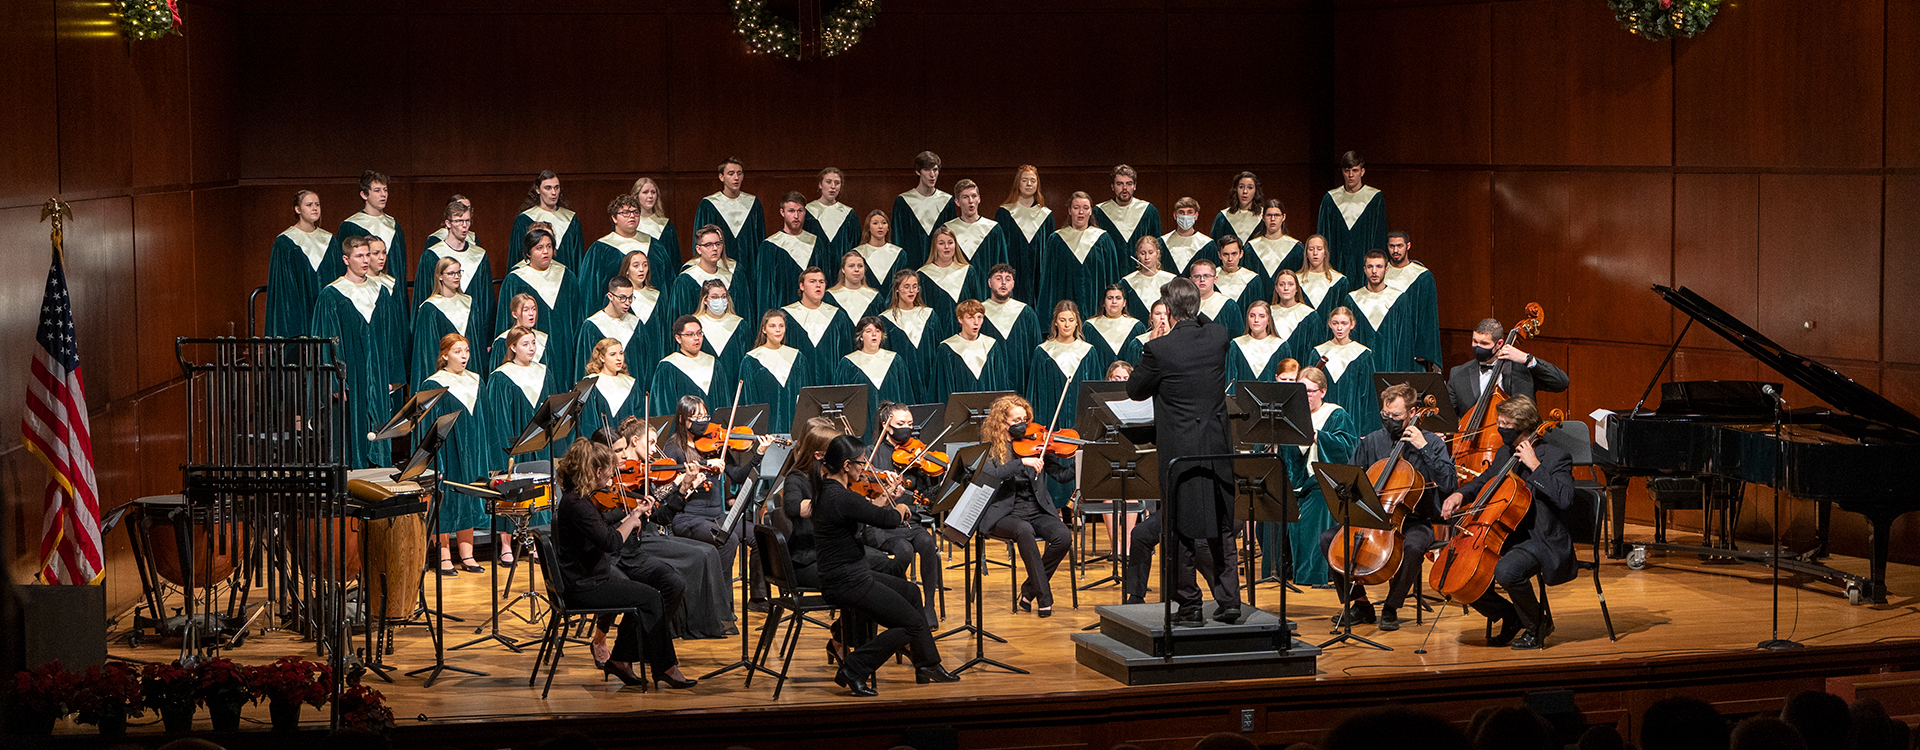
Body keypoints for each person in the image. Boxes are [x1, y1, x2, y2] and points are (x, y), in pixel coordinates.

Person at [1122, 279, 1239, 624]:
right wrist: (1187, 313)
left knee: (1178, 530)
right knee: (1222, 527)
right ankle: (1230, 601)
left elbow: (1134, 390)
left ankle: (1189, 606)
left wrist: (1157, 337)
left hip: (1180, 454)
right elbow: (1203, 323)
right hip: (1217, 449)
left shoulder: (1160, 350)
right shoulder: (1218, 336)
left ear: (1168, 311)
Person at [813, 435, 958, 695]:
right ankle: (854, 667)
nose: (864, 467)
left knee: (912, 593)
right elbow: (886, 519)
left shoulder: (831, 491)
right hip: (847, 582)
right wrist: (901, 508)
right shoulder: (842, 497)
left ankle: (928, 664)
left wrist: (885, 497)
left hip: (851, 574)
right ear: (846, 465)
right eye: (860, 463)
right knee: (912, 624)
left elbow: (864, 512)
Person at [549, 437, 697, 689]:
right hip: (585, 586)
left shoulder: (577, 499)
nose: (610, 480)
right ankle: (665, 667)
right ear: (596, 471)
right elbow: (612, 542)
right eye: (608, 474)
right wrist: (635, 515)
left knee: (650, 594)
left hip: (589, 578)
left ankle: (621, 660)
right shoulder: (578, 505)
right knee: (650, 598)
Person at [1438, 395, 1575, 649]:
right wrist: (1461, 494)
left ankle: (1537, 625)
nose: (1500, 428)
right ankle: (1510, 615)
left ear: (1524, 426)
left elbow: (1565, 499)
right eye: (1499, 422)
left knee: (1506, 571)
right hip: (1505, 534)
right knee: (1458, 574)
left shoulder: (1556, 457)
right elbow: (1485, 480)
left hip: (1540, 537)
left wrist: (1535, 466)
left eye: (1506, 423)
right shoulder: (1505, 453)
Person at [1318, 383, 1456, 631]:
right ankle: (1360, 603)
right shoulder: (1372, 441)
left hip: (1415, 520)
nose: (1389, 420)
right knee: (1329, 540)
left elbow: (1448, 482)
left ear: (1413, 412)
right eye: (1385, 415)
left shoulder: (1432, 442)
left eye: (1396, 416)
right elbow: (1351, 476)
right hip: (1372, 517)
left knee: (1412, 547)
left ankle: (1392, 606)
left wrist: (1423, 447)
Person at [600, 417, 736, 639]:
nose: (656, 450)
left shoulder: (645, 474)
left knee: (709, 551)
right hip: (631, 545)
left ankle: (702, 622)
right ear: (634, 441)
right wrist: (676, 485)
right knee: (698, 556)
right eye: (651, 443)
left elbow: (661, 515)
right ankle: (683, 626)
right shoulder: (613, 481)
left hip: (647, 535)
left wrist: (682, 488)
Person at [966, 396, 1074, 617]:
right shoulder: (991, 448)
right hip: (1004, 513)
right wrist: (1019, 463)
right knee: (1024, 531)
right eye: (1016, 420)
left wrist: (1081, 461)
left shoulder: (1036, 445)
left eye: (1025, 419)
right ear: (1002, 422)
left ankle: (1028, 590)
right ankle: (1044, 597)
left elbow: (1062, 475)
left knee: (1063, 536)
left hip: (1036, 510)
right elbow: (987, 477)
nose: (1022, 424)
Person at [310, 236, 402, 469]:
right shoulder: (332, 295)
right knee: (351, 430)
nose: (365, 260)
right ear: (346, 259)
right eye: (359, 256)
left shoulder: (380, 292)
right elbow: (326, 341)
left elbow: (392, 337)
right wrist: (336, 383)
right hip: (351, 376)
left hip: (378, 374)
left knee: (379, 428)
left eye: (368, 255)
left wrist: (392, 376)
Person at [656, 394, 774, 566]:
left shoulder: (713, 444)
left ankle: (758, 593)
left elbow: (739, 476)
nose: (702, 421)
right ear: (682, 419)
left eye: (704, 417)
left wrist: (759, 453)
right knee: (729, 540)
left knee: (759, 536)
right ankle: (721, 592)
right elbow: (667, 488)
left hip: (716, 516)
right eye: (696, 417)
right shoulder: (674, 447)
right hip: (688, 518)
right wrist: (705, 463)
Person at [481, 326, 560, 561]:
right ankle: (507, 545)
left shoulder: (543, 372)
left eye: (533, 343)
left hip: (540, 442)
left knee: (541, 488)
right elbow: (498, 417)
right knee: (514, 490)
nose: (531, 348)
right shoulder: (501, 376)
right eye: (525, 344)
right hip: (514, 442)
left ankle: (539, 541)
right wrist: (509, 447)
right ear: (512, 347)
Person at [861, 403, 945, 619]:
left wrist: (936, 477)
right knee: (904, 550)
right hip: (880, 523)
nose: (906, 428)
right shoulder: (871, 454)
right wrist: (884, 484)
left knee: (928, 545)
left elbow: (928, 494)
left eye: (909, 424)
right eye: (900, 424)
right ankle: (905, 603)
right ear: (886, 426)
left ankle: (929, 606)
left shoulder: (918, 454)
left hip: (909, 520)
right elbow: (862, 487)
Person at [421, 334, 491, 576]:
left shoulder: (476, 381)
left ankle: (467, 553)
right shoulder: (433, 384)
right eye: (458, 351)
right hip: (447, 450)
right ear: (444, 355)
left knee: (469, 496)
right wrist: (433, 460)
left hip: (473, 449)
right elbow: (429, 426)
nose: (464, 357)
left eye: (467, 351)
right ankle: (442, 554)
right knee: (446, 501)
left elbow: (484, 421)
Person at [1283, 366, 1357, 588]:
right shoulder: (1291, 415)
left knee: (1312, 511)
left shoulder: (1335, 414)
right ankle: (1282, 569)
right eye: (1301, 391)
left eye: (1310, 391)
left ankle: (1312, 573)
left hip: (1324, 482)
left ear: (1323, 392)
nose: (1305, 396)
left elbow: (1349, 446)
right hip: (1296, 482)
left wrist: (1318, 437)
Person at [1027, 302, 1103, 509]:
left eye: (1071, 320)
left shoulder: (1088, 352)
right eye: (1062, 320)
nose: (1067, 324)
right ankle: (1053, 507)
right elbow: (1036, 392)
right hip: (1052, 414)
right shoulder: (1043, 352)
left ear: (1077, 322)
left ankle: (1078, 506)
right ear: (1055, 323)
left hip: (1079, 416)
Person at [494, 227, 586, 381]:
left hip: (563, 347)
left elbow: (576, 318)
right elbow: (505, 321)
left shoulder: (567, 277)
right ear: (528, 253)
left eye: (549, 246)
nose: (546, 252)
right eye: (539, 247)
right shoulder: (515, 280)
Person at [411, 201, 493, 361]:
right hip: (440, 329)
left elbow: (487, 300)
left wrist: (486, 337)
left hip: (472, 330)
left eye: (467, 221)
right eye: (459, 221)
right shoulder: (432, 255)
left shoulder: (479, 255)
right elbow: (423, 296)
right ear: (448, 223)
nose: (464, 226)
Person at [1447, 317, 1570, 419]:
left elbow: (1561, 383)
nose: (1478, 347)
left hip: (1520, 442)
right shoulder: (1458, 374)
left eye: (1484, 343)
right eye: (1475, 341)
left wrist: (1527, 359)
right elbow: (1447, 418)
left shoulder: (1522, 368)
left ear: (1499, 343)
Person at [1339, 250, 1436, 373]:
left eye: (1379, 266)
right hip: (1360, 371)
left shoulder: (1399, 299)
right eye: (1370, 267)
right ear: (1364, 269)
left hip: (1391, 369)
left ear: (1386, 270)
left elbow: (1404, 342)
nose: (1374, 271)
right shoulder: (1352, 300)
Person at [1040, 191, 1124, 319]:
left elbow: (1111, 276)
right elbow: (1048, 282)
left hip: (1097, 309)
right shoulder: (1056, 240)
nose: (1081, 212)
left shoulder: (1103, 239)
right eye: (1076, 208)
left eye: (1085, 208)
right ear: (1069, 210)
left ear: (1091, 211)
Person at [323, 170, 408, 296]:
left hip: (392, 293)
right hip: (361, 293)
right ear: (364, 194)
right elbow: (343, 265)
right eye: (377, 190)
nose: (383, 195)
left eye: (385, 190)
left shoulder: (394, 226)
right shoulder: (351, 226)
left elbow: (400, 268)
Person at [412, 257, 490, 387]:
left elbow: (478, 342)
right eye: (451, 273)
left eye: (459, 272)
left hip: (471, 367)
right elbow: (429, 350)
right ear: (440, 276)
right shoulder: (430, 308)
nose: (456, 277)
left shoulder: (469, 303)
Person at [267, 190, 334, 338]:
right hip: (299, 309)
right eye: (309, 205)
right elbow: (282, 286)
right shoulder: (284, 242)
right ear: (298, 209)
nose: (315, 208)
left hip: (324, 310)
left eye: (317, 204)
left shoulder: (329, 240)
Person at [1316, 151, 1388, 279]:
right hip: (1336, 265)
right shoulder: (1330, 200)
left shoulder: (1374, 199)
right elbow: (1323, 236)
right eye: (1347, 170)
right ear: (1342, 171)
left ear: (1362, 171)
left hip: (1365, 267)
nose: (1350, 175)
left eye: (1355, 170)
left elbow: (1379, 237)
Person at [691, 157, 766, 278]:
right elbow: (700, 240)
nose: (736, 178)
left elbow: (760, 240)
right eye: (731, 174)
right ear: (721, 177)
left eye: (739, 173)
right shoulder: (709, 205)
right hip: (718, 270)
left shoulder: (753, 204)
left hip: (749, 269)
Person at [779, 266, 854, 388]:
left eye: (821, 282)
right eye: (812, 281)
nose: (818, 285)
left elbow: (846, 354)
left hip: (831, 386)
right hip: (796, 384)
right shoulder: (787, 316)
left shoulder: (838, 317)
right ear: (802, 286)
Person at [580, 193, 656, 312]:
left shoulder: (655, 247)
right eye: (625, 213)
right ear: (614, 218)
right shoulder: (600, 249)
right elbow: (589, 290)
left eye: (635, 212)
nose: (632, 216)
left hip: (651, 310)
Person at [879, 269, 945, 404]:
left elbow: (939, 349)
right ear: (897, 289)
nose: (911, 291)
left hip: (929, 376)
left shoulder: (929, 315)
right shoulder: (886, 319)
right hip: (903, 381)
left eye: (915, 287)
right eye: (906, 287)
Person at [1313, 306, 1381, 434]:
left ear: (1352, 324)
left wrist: (1366, 430)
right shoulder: (1318, 353)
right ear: (1329, 324)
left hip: (1353, 418)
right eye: (1335, 323)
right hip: (1322, 419)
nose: (1339, 328)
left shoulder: (1362, 355)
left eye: (1344, 323)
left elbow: (1368, 394)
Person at [936, 299, 1018, 404]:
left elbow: (1000, 383)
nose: (976, 322)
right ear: (960, 319)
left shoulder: (991, 346)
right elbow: (943, 389)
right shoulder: (947, 349)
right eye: (970, 318)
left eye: (979, 317)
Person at [754, 191, 824, 314]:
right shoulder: (769, 246)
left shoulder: (816, 244)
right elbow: (765, 292)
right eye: (791, 211)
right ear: (782, 212)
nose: (796, 216)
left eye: (800, 211)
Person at [835, 317, 914, 425]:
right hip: (861, 424)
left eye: (878, 331)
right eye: (868, 331)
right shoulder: (848, 363)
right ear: (861, 337)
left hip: (892, 425)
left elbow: (906, 394)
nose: (874, 334)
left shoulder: (895, 361)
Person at [738, 310, 806, 433]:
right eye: (772, 326)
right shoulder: (751, 360)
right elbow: (749, 400)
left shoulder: (797, 357)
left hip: (793, 425)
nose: (778, 330)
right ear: (764, 330)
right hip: (765, 429)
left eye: (781, 326)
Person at [994, 165, 1055, 305]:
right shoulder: (1005, 214)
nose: (1029, 184)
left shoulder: (1046, 216)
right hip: (1013, 271)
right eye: (1024, 180)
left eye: (1033, 180)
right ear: (1017, 183)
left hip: (1038, 276)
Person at [650, 314, 730, 417]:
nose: (696, 338)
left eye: (699, 333)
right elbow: (664, 408)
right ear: (678, 338)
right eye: (690, 334)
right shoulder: (668, 367)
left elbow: (724, 404)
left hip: (713, 430)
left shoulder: (714, 363)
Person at [889, 151, 956, 271]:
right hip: (910, 268)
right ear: (918, 171)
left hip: (940, 269)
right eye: (927, 170)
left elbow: (950, 238)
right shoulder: (903, 202)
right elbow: (897, 239)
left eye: (935, 170)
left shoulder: (947, 202)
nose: (932, 175)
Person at [980, 263, 1041, 392]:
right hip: (990, 380)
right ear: (989, 283)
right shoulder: (979, 313)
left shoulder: (1026, 313)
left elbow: (1035, 350)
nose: (1003, 283)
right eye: (998, 278)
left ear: (1013, 284)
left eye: (1008, 279)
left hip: (1021, 380)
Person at [943, 179, 1010, 296]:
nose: (970, 201)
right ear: (957, 202)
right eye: (965, 197)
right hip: (957, 292)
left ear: (979, 199)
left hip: (987, 293)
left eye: (973, 196)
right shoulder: (948, 230)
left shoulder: (993, 229)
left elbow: (1002, 265)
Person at [1382, 231, 1441, 364]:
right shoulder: (1380, 273)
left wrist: (1423, 349)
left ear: (1408, 246)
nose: (1395, 250)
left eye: (1399, 246)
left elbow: (1428, 316)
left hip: (1410, 343)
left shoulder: (1422, 276)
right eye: (1391, 246)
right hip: (1385, 341)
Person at [572, 277, 644, 384]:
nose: (627, 303)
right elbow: (584, 364)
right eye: (622, 298)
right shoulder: (592, 326)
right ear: (610, 296)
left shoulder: (636, 325)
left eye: (630, 298)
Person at [611, 250, 665, 385]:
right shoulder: (617, 297)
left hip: (653, 353)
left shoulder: (657, 297)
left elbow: (663, 329)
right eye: (636, 265)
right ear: (627, 270)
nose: (641, 269)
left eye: (645, 265)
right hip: (628, 352)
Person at [511, 171, 585, 269]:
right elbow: (517, 258)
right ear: (538, 190)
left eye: (556, 187)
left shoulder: (571, 220)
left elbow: (578, 260)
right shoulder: (524, 220)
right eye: (548, 188)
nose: (553, 193)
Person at [666, 225, 740, 322]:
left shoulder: (732, 278)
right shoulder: (685, 281)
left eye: (718, 244)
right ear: (698, 249)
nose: (715, 248)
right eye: (708, 245)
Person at [577, 338, 644, 437]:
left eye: (621, 353)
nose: (619, 358)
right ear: (602, 357)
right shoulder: (590, 384)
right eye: (613, 354)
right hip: (601, 446)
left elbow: (639, 418)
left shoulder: (630, 383)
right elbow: (588, 423)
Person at [1094, 165, 1162, 262]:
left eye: (1129, 184)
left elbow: (1156, 247)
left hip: (1142, 272)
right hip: (1111, 270)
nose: (1125, 188)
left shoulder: (1148, 211)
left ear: (1135, 186)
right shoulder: (1099, 212)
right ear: (1112, 186)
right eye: (1119, 184)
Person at [916, 226, 980, 326]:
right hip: (938, 332)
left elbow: (977, 305)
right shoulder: (924, 276)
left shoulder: (968, 272)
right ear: (935, 246)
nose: (947, 247)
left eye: (950, 242)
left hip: (966, 332)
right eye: (941, 243)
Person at [627, 177, 684, 281]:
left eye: (653, 192)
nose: (650, 196)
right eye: (645, 192)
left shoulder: (666, 227)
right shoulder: (628, 225)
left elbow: (674, 261)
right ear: (636, 196)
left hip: (660, 280)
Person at [1084, 285, 1146, 378]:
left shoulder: (1136, 327)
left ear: (1124, 302)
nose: (1114, 301)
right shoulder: (1090, 327)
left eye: (1118, 298)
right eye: (1110, 298)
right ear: (1104, 303)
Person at [1226, 300, 1288, 391]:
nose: (1256, 320)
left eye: (1262, 316)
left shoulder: (1281, 347)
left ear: (1268, 320)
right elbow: (1230, 382)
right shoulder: (1236, 346)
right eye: (1252, 316)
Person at [1269, 269, 1324, 366]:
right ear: (1276, 288)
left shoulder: (1310, 315)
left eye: (1290, 284)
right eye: (1282, 285)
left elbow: (1315, 349)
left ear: (1297, 288)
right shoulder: (1267, 313)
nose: (1286, 288)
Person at [804, 167, 859, 262]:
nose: (833, 186)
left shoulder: (849, 215)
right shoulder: (807, 212)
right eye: (828, 182)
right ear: (820, 184)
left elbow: (855, 245)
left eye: (837, 183)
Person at [853, 210, 903, 310]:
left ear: (888, 227)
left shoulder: (899, 254)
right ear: (868, 228)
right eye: (875, 223)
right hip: (866, 306)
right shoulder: (857, 254)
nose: (880, 226)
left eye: (884, 223)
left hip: (893, 307)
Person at [1120, 235, 1178, 322]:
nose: (1147, 257)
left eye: (1151, 253)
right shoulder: (1127, 283)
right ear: (1137, 255)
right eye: (1143, 253)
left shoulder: (1171, 280)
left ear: (1157, 253)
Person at [1159, 196, 1218, 275]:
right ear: (1175, 215)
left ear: (1196, 215)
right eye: (1181, 212)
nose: (1185, 216)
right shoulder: (1161, 243)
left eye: (1190, 212)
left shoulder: (1208, 244)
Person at [1189, 259, 1245, 338]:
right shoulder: (1184, 305)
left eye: (1207, 276)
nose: (1202, 280)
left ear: (1215, 279)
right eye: (1197, 276)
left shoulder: (1228, 305)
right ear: (1190, 280)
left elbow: (1237, 338)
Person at [1213, 235, 1270, 313]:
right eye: (1226, 254)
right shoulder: (1211, 278)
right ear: (1219, 255)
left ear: (1241, 253)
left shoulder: (1252, 280)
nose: (1230, 259)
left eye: (1234, 254)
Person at [1245, 199, 1302, 277]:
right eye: (1269, 215)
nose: (1272, 219)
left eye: (1277, 215)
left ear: (1283, 217)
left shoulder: (1296, 248)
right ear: (1263, 217)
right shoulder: (1250, 248)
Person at [1296, 234, 1349, 311]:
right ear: (1306, 253)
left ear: (1325, 253)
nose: (1315, 253)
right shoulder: (1296, 280)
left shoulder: (1339, 281)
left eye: (1319, 249)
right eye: (1311, 249)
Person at [826, 250, 883, 320]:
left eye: (860, 266)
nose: (856, 269)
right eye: (851, 266)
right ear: (843, 269)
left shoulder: (875, 298)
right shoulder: (830, 297)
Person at [1211, 172, 1264, 244]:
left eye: (1250, 187)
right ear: (1235, 190)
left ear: (1255, 191)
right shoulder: (1223, 217)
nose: (1245, 191)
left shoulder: (1264, 217)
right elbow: (1214, 247)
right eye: (1241, 187)